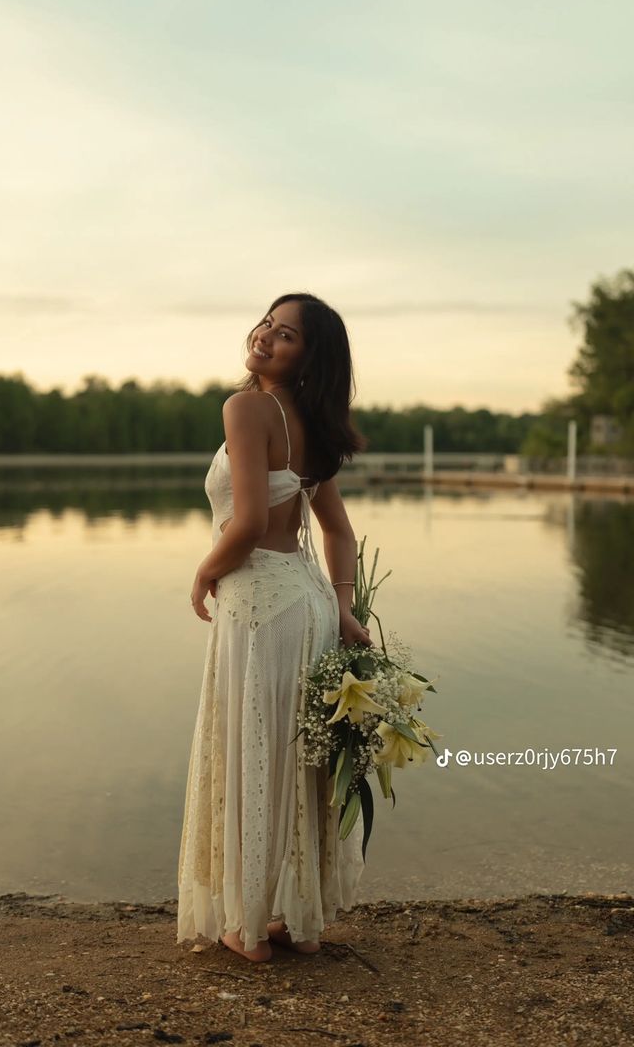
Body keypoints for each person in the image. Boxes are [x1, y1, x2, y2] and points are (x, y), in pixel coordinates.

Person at [177, 293, 373, 963]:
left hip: (259, 602)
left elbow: (251, 523)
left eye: (286, 335)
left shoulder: (246, 408)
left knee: (252, 757)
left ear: (307, 357)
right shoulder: (308, 422)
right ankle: (289, 917)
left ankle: (248, 928)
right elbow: (338, 533)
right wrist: (342, 607)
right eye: (268, 322)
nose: (266, 336)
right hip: (308, 604)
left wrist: (205, 569)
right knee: (292, 763)